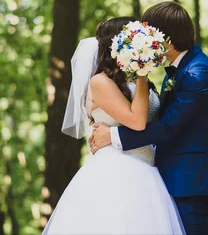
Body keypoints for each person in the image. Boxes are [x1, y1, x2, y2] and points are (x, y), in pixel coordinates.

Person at [90, 2, 208, 235]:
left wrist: (111, 135)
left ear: (168, 40)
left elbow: (167, 127)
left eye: (149, 35)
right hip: (167, 174)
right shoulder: (179, 70)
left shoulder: (198, 73)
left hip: (189, 179)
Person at [43, 17, 185, 235]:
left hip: (147, 172)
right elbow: (137, 122)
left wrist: (140, 76)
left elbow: (157, 122)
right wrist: (142, 72)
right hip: (118, 171)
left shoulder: (133, 80)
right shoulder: (99, 82)